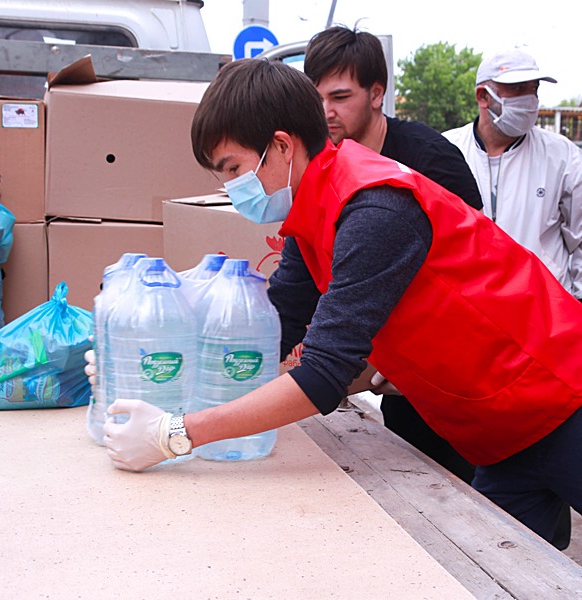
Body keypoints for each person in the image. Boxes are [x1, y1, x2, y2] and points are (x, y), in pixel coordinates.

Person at [102, 58, 582, 550]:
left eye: (233, 169)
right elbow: (276, 326)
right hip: (503, 430)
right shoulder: (314, 216)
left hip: (561, 393)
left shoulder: (372, 207)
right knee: (513, 569)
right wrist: (151, 371)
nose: (230, 188)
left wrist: (175, 432)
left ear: (282, 146)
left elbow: (323, 375)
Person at [298, 25, 481, 485]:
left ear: (377, 93)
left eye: (340, 97)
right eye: (316, 98)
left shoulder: (430, 159)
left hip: (459, 370)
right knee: (416, 485)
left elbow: (477, 269)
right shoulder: (325, 166)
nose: (326, 112)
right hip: (392, 375)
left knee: (483, 502)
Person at [444, 48, 582, 301]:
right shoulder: (447, 150)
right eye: (518, 90)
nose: (530, 100)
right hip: (472, 309)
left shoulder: (562, 155)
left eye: (534, 90)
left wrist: (576, 304)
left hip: (545, 310)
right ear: (483, 96)